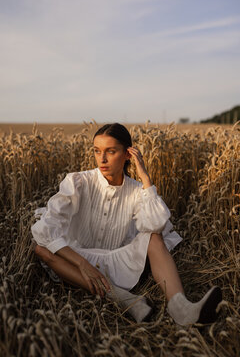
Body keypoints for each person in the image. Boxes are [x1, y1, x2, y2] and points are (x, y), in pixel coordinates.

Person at [31, 123, 222, 325]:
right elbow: (45, 230)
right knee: (42, 249)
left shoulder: (137, 190)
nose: (102, 159)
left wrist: (145, 178)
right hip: (76, 260)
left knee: (154, 237)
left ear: (128, 154)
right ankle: (126, 300)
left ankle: (181, 308)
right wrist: (82, 264)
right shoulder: (79, 181)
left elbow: (156, 224)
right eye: (97, 151)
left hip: (118, 260)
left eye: (110, 152)